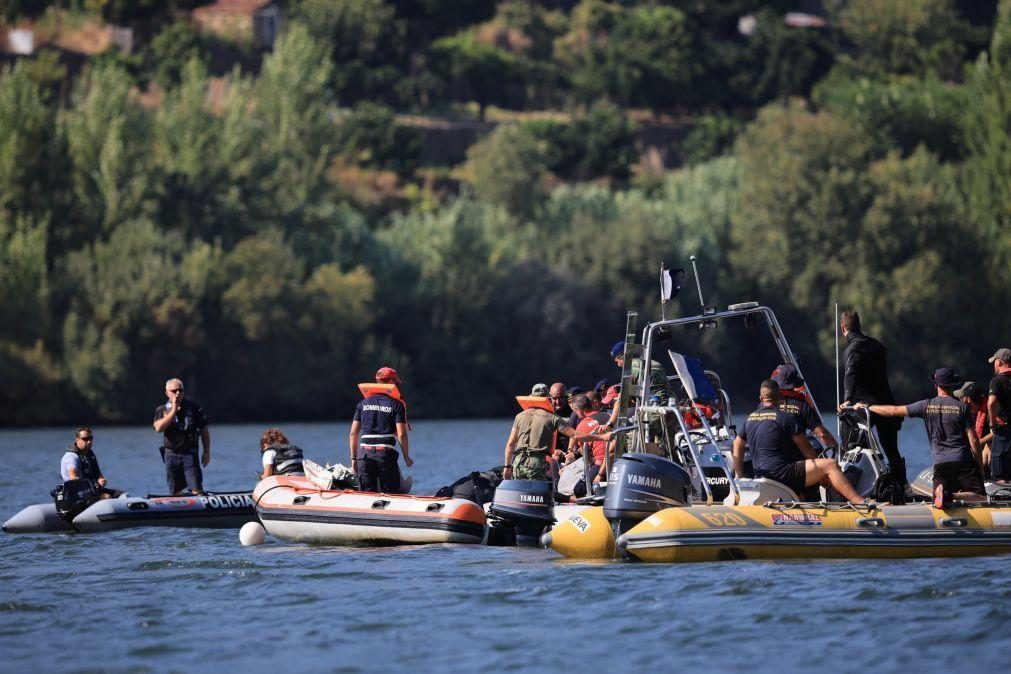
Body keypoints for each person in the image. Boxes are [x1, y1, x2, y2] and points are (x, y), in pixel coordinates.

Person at [856, 368, 985, 508]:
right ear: (952, 385)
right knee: (982, 497)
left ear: (936, 385)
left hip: (941, 464)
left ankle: (944, 494)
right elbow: (973, 439)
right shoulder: (962, 407)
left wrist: (869, 407)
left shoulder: (926, 405)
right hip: (963, 461)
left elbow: (893, 411)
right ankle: (950, 495)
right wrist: (979, 465)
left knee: (938, 500)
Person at [733, 380, 865, 505]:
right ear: (780, 396)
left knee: (796, 472)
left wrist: (739, 476)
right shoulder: (786, 418)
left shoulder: (749, 419)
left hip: (761, 474)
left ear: (761, 398)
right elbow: (808, 451)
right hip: (782, 474)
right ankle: (860, 502)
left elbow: (737, 444)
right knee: (830, 465)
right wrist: (821, 477)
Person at [839, 310, 906, 486]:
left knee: (852, 449)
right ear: (858, 326)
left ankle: (856, 486)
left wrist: (847, 398)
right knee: (892, 450)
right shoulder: (877, 345)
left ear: (843, 327)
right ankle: (901, 484)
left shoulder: (852, 349)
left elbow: (850, 374)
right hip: (886, 403)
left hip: (864, 406)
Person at [503, 394, 612, 481]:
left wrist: (507, 467)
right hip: (536, 464)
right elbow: (575, 435)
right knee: (537, 494)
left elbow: (510, 444)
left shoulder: (520, 416)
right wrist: (602, 437)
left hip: (518, 462)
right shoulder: (553, 418)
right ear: (547, 399)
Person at [349, 366, 413, 493]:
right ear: (390, 382)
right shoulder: (397, 405)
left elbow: (353, 433)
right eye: (396, 383)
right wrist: (406, 457)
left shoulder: (363, 403)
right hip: (385, 456)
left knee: (367, 496)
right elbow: (401, 434)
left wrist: (353, 459)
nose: (397, 386)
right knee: (391, 497)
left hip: (364, 456)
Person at [153, 378, 210, 495]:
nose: (178, 393)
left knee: (196, 489)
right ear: (167, 393)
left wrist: (206, 452)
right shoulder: (161, 410)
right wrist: (173, 411)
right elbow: (158, 428)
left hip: (189, 454)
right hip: (170, 455)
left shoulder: (194, 408)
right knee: (175, 491)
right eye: (174, 391)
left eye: (180, 390)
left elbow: (204, 430)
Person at [772, 364, 838, 454]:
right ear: (794, 385)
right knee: (830, 464)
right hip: (795, 461)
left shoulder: (765, 406)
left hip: (769, 459)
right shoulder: (802, 405)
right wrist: (838, 449)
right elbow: (822, 434)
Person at [61, 427, 120, 499]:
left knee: (123, 495)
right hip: (76, 494)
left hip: (92, 490)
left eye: (90, 438)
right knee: (106, 497)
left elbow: (99, 475)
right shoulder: (71, 456)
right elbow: (72, 477)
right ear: (77, 440)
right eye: (85, 439)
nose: (89, 441)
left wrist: (101, 480)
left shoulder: (90, 454)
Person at [570, 394, 612, 492]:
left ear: (580, 411)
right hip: (616, 461)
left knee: (578, 490)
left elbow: (588, 458)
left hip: (600, 466)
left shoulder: (582, 425)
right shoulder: (609, 416)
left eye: (575, 412)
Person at [954, 381, 992, 475]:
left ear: (968, 399)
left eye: (961, 397)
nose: (959, 399)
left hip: (986, 450)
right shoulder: (966, 412)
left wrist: (979, 443)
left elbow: (995, 433)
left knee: (989, 446)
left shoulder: (989, 410)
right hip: (972, 451)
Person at [986, 348, 1011, 483]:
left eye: (994, 362)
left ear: (1000, 363)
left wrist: (993, 424)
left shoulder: (997, 381)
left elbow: (991, 403)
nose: (994, 365)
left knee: (1000, 475)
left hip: (1004, 433)